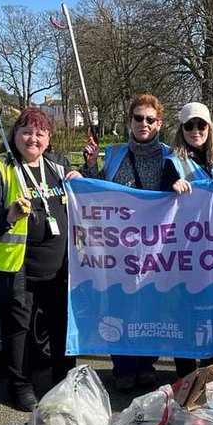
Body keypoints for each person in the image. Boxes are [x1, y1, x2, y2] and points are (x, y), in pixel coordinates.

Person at [0, 108, 82, 412]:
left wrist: (84, 179)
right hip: (18, 267)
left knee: (61, 327)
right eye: (27, 132)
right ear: (15, 135)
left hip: (59, 268)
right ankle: (19, 386)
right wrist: (9, 215)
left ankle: (64, 381)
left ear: (49, 139)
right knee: (17, 330)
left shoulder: (59, 166)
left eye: (40, 133)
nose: (33, 138)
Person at [83, 92, 170, 392]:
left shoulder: (169, 156)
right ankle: (122, 366)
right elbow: (96, 193)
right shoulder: (114, 153)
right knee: (119, 305)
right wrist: (91, 166)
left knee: (151, 307)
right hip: (118, 248)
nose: (143, 124)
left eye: (150, 119)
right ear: (129, 119)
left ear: (159, 123)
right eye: (138, 118)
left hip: (156, 251)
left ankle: (147, 364)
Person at [160, 101, 213, 377]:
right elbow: (159, 201)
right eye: (189, 126)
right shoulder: (173, 162)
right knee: (186, 314)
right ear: (181, 129)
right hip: (185, 252)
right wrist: (170, 187)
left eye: (201, 125)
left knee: (212, 311)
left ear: (209, 128)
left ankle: (212, 375)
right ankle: (187, 379)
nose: (196, 130)